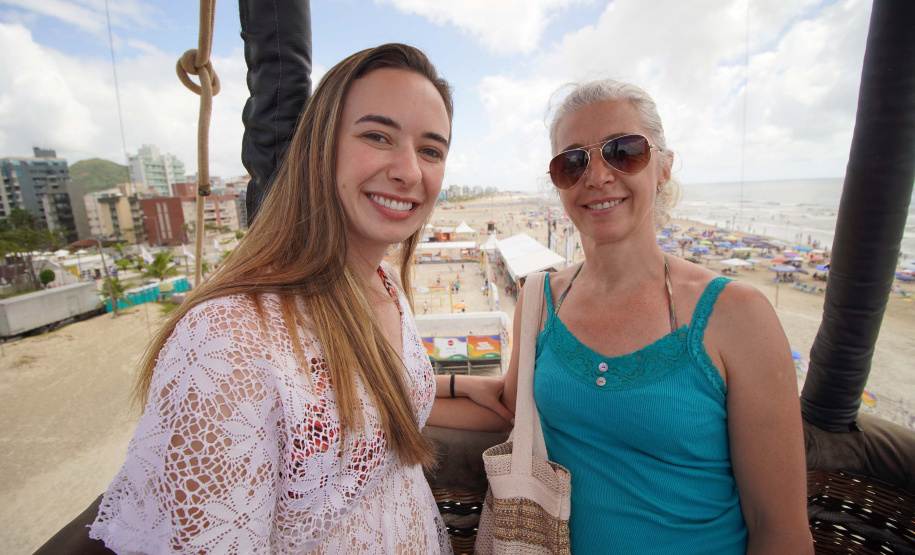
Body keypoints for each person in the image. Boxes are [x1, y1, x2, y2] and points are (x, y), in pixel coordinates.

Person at [89, 44, 508, 554]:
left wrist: (457, 386)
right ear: (319, 147)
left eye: (430, 150)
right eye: (377, 136)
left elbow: (360, 396)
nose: (408, 171)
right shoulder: (227, 341)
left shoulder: (384, 285)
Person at [476, 79, 811, 553]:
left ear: (664, 169)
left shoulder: (737, 316)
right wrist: (399, 394)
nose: (596, 176)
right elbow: (508, 403)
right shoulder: (540, 302)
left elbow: (779, 529)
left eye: (624, 151)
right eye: (573, 162)